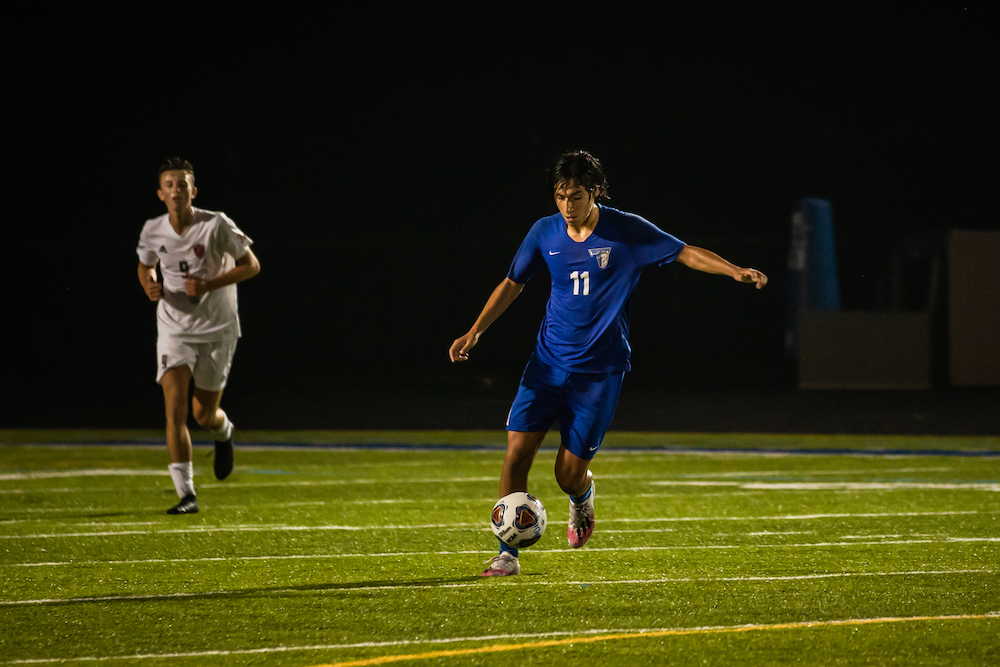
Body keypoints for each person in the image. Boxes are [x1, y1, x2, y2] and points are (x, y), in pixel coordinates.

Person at [449, 151, 767, 576]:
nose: (566, 205)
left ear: (595, 192)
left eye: (575, 196)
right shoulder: (544, 232)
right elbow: (513, 282)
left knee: (568, 474)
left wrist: (734, 271)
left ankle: (582, 497)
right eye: (560, 196)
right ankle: (507, 554)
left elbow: (684, 251)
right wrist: (475, 331)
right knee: (515, 454)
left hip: (599, 373)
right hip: (546, 365)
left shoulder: (625, 231)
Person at [136, 158, 261, 515]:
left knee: (203, 414)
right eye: (170, 185)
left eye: (183, 184)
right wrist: (149, 284)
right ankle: (187, 495)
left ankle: (224, 433)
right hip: (174, 327)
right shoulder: (152, 230)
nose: (177, 190)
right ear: (161, 194)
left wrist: (209, 284)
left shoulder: (216, 224)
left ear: (194, 191)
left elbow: (251, 265)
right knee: (174, 410)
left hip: (217, 328)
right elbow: (145, 265)